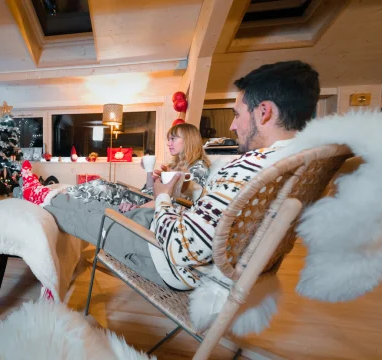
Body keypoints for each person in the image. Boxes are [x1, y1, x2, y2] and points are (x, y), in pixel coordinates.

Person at [21, 60, 320, 290]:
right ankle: (44, 193)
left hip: (170, 263)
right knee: (102, 202)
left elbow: (182, 248)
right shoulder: (296, 163)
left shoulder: (252, 168)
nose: (232, 126)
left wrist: (162, 199)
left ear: (264, 112)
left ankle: (39, 196)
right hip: (192, 247)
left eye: (237, 114)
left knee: (84, 212)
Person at [61, 123, 211, 212]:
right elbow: (151, 191)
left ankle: (58, 197)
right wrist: (149, 170)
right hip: (145, 198)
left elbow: (178, 202)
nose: (168, 143)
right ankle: (59, 194)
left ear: (188, 140)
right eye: (168, 139)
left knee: (101, 188)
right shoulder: (174, 164)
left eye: (173, 139)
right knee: (101, 183)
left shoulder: (198, 168)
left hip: (150, 206)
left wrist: (138, 210)